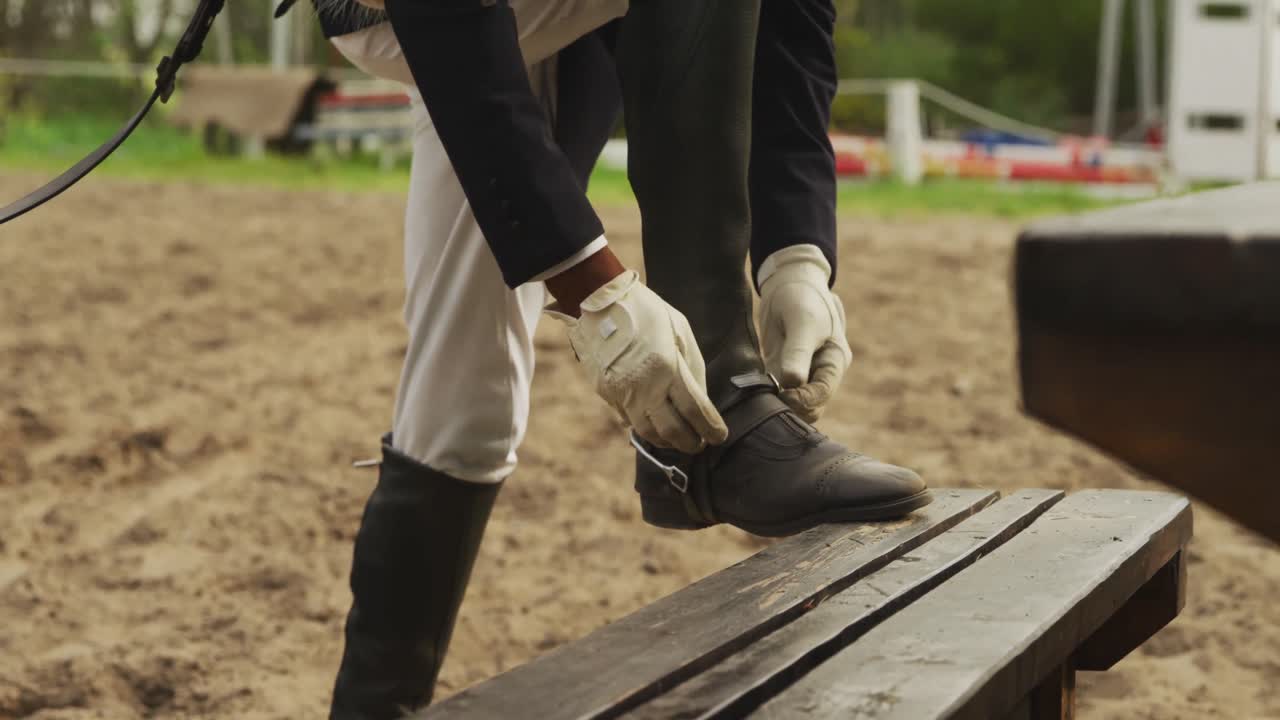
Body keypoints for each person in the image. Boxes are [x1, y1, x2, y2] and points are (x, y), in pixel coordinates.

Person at [302, 1, 933, 717]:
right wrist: (591, 285)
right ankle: (725, 396)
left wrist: (797, 256)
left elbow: (792, 16)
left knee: (465, 410)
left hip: (536, 29)